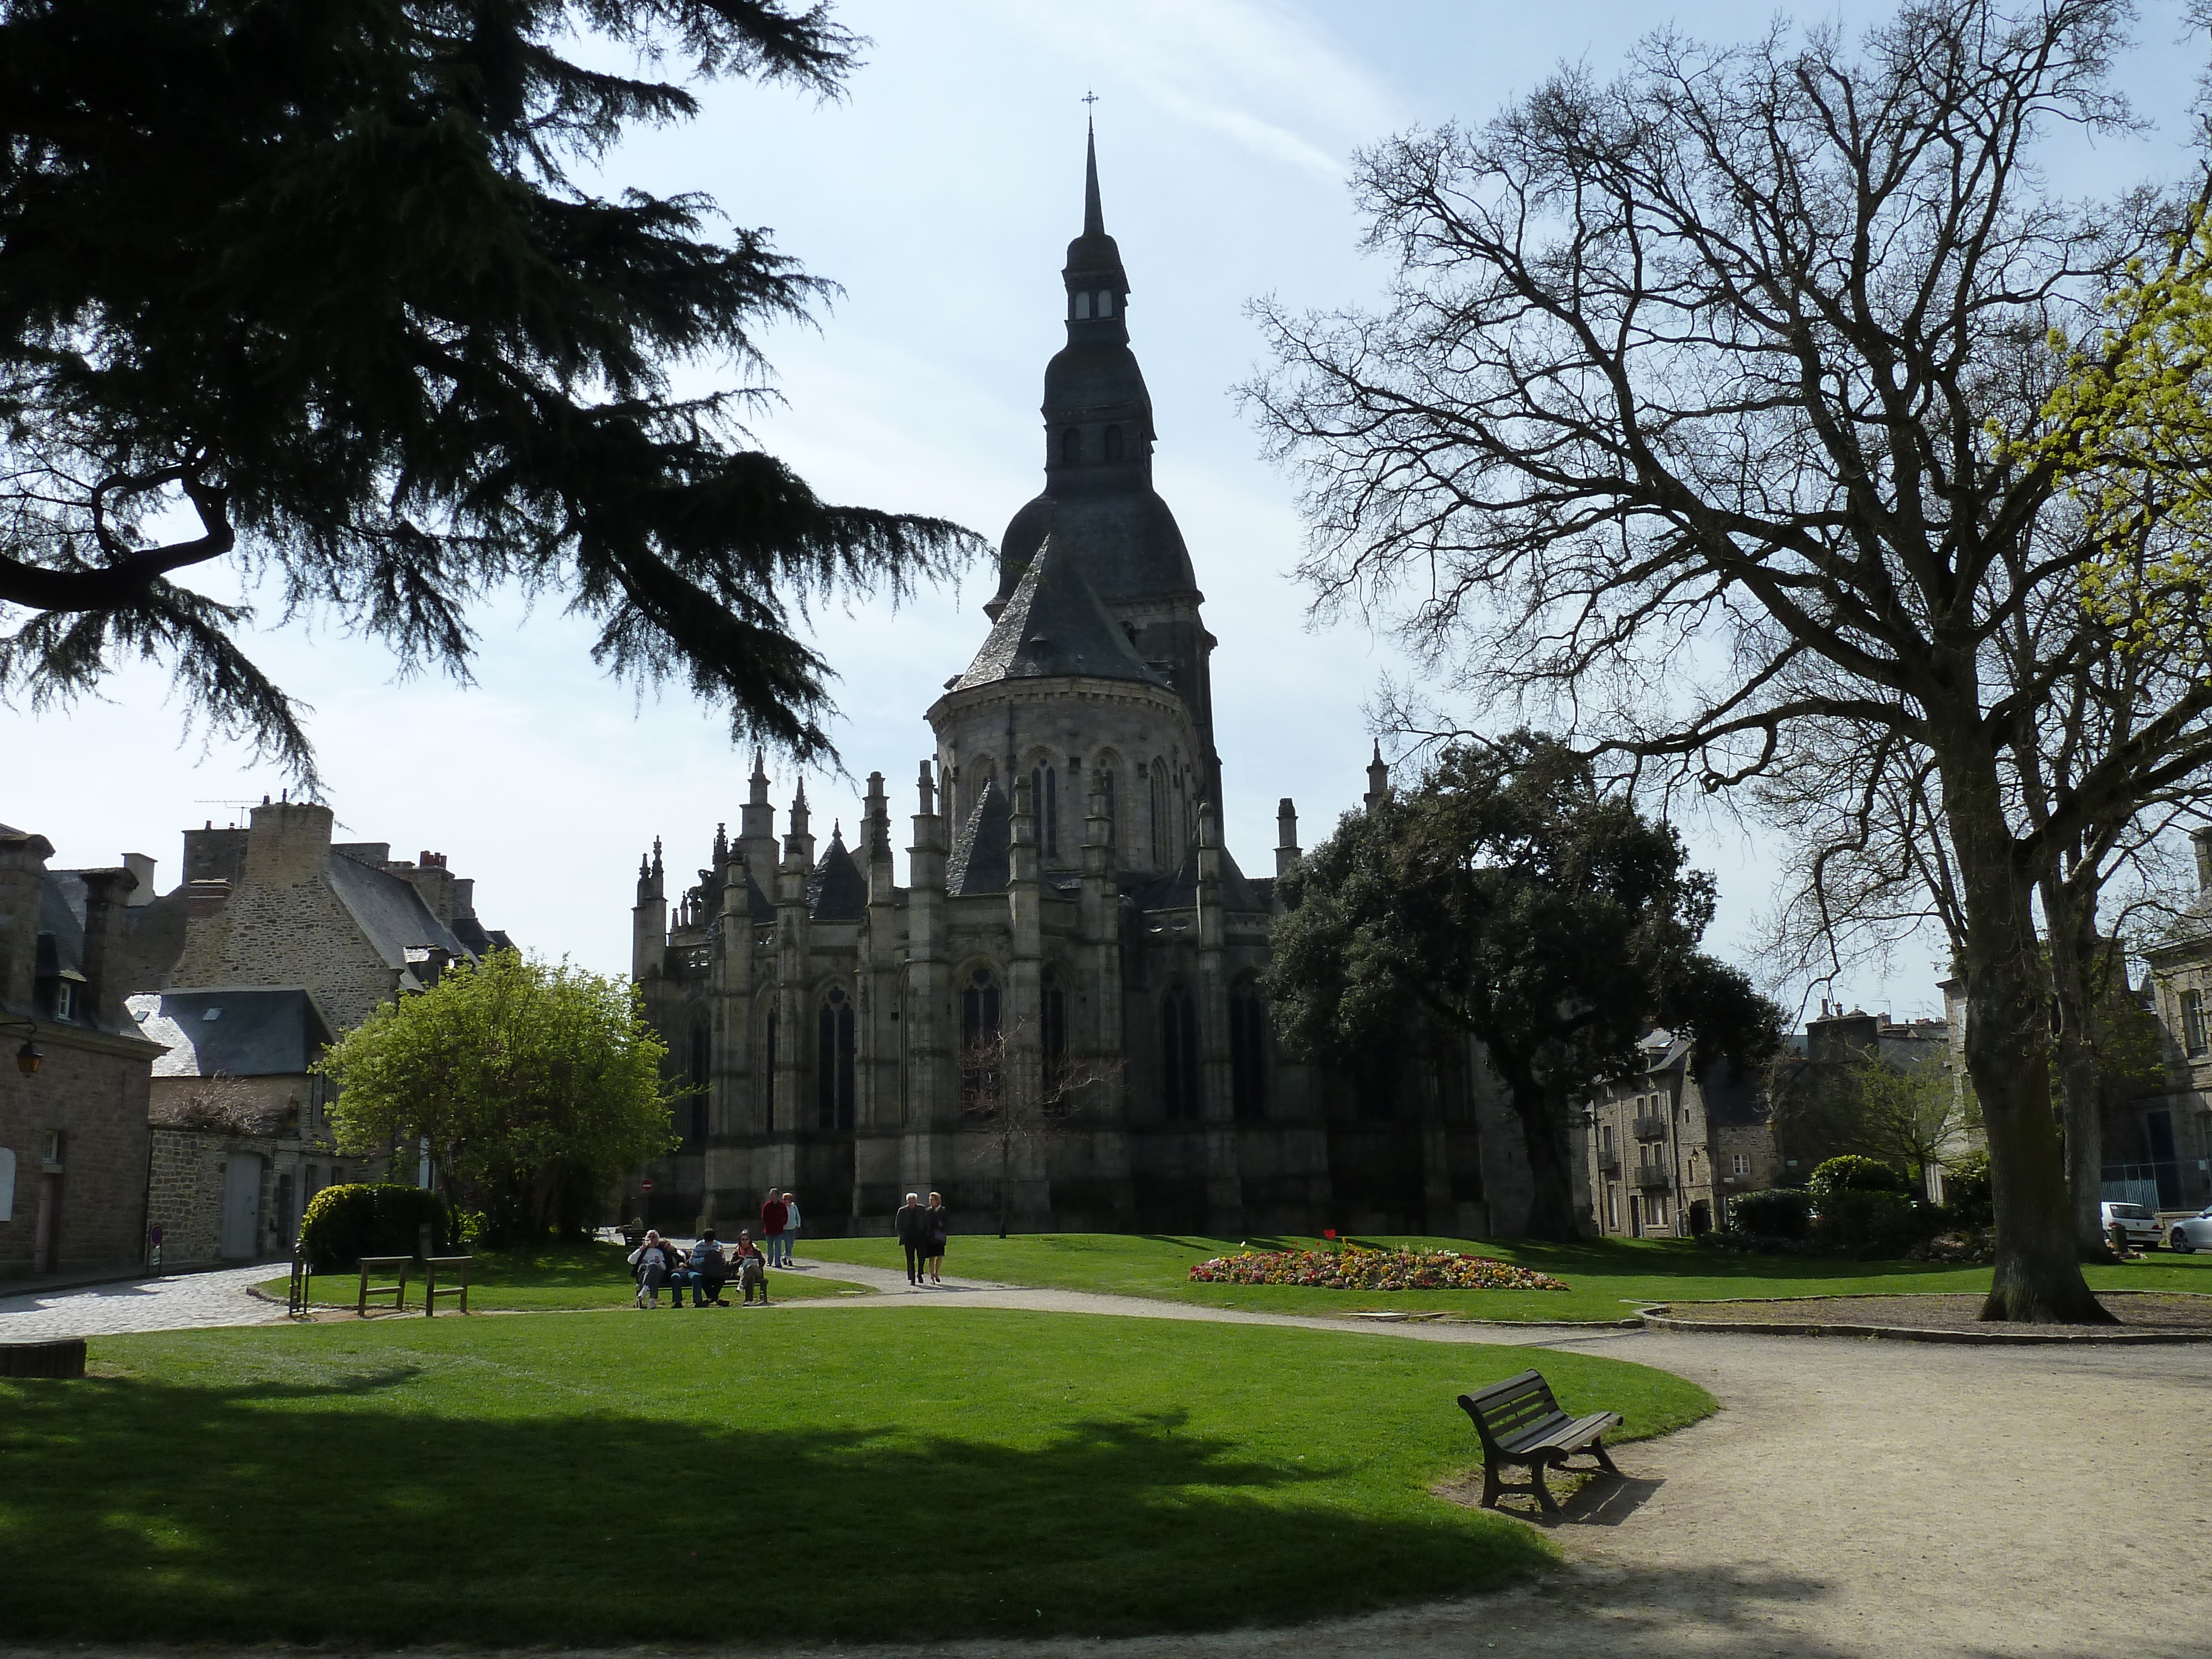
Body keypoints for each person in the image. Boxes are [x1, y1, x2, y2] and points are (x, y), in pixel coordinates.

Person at [627, 1229, 674, 1308]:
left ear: (658, 1240)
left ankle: (644, 1291)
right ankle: (652, 1301)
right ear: (646, 1239)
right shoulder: (642, 1250)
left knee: (653, 1268)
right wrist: (642, 1248)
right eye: (650, 1237)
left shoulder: (661, 1252)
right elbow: (631, 1261)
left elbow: (665, 1268)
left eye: (654, 1237)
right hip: (643, 1273)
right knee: (653, 1271)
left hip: (659, 1274)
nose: (652, 1239)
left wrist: (659, 1262)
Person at [894, 1192, 930, 1285]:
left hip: (921, 1237)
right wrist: (902, 1234)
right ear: (907, 1201)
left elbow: (926, 1221)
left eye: (914, 1200)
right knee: (910, 1259)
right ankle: (912, 1278)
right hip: (909, 1238)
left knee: (922, 1257)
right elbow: (898, 1224)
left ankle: (920, 1273)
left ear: (916, 1201)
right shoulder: (902, 1211)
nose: (912, 1202)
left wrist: (927, 1232)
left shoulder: (922, 1209)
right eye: (910, 1200)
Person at [732, 1228, 770, 1305]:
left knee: (750, 1267)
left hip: (757, 1271)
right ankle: (748, 1300)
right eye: (743, 1240)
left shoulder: (755, 1251)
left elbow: (762, 1262)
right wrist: (740, 1261)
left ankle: (741, 1286)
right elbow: (732, 1265)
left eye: (747, 1239)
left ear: (750, 1240)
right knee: (750, 1275)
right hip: (742, 1272)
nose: (745, 1241)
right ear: (740, 1241)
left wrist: (755, 1261)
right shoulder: (737, 1252)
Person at [690, 1231, 730, 1306]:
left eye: (710, 1242)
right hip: (703, 1271)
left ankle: (710, 1299)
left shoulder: (718, 1245)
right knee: (703, 1279)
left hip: (716, 1271)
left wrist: (721, 1256)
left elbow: (723, 1262)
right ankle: (716, 1299)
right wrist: (705, 1259)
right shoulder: (699, 1246)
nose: (709, 1244)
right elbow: (692, 1261)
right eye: (707, 1242)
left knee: (722, 1277)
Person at [923, 1191, 949, 1285]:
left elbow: (947, 1222)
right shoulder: (928, 1211)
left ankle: (937, 1273)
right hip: (930, 1237)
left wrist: (941, 1225)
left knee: (940, 1256)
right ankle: (932, 1276)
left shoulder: (942, 1210)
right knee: (932, 1257)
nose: (931, 1202)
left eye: (932, 1200)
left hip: (940, 1236)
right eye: (930, 1200)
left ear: (937, 1200)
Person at [760, 1188, 789, 1268]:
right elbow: (764, 1217)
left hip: (779, 1230)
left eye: (772, 1194)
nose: (771, 1196)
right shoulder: (767, 1206)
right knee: (770, 1247)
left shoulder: (782, 1206)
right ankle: (770, 1261)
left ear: (777, 1195)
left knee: (778, 1247)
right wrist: (767, 1225)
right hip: (769, 1230)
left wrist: (782, 1224)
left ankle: (778, 1262)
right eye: (770, 1194)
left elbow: (786, 1217)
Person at [780, 1191, 802, 1265]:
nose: (784, 1200)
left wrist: (798, 1225)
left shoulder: (794, 1207)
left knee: (791, 1243)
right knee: (788, 1243)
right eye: (783, 1199)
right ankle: (789, 1259)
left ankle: (785, 1256)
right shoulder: (782, 1208)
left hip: (793, 1228)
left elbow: (797, 1216)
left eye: (786, 1199)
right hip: (785, 1228)